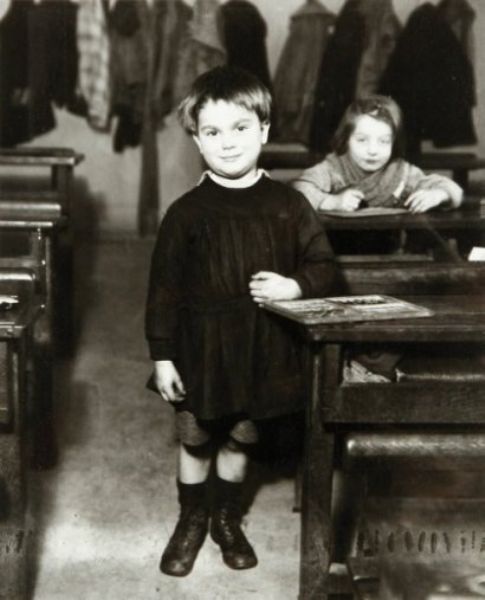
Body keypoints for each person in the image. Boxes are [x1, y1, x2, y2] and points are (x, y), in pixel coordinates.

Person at [145, 65, 335, 577]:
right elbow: (162, 292)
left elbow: (324, 266)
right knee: (195, 437)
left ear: (264, 130)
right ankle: (192, 517)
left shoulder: (290, 204)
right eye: (212, 132)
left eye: (240, 128)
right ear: (196, 140)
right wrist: (162, 357)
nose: (227, 142)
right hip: (200, 350)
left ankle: (226, 517)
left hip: (261, 349)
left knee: (241, 436)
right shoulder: (185, 213)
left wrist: (296, 285)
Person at [294, 94, 463, 214]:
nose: (372, 150)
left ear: (394, 142)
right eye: (362, 140)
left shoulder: (402, 172)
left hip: (389, 249)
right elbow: (299, 187)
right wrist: (330, 201)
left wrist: (439, 195)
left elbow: (454, 189)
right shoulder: (334, 167)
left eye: (383, 141)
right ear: (346, 139)